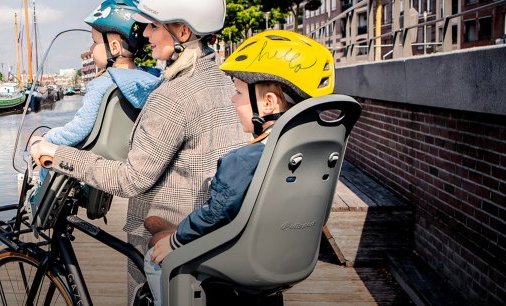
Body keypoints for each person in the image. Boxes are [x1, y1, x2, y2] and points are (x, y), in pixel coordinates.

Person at [29, 0, 249, 303]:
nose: (145, 33)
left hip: (169, 242)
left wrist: (58, 154)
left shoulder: (172, 96)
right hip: (214, 232)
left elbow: (132, 179)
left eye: (154, 25)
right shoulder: (225, 84)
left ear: (182, 32)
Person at [140, 30, 337, 305]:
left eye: (238, 92)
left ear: (268, 103)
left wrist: (174, 242)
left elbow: (214, 215)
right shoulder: (307, 153)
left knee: (155, 255)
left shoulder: (244, 160)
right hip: (284, 256)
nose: (232, 100)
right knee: (154, 223)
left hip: (242, 259)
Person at [27, 0, 161, 196]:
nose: (91, 48)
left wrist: (47, 138)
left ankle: (41, 195)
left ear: (114, 47)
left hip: (95, 159)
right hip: (126, 156)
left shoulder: (102, 83)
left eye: (95, 42)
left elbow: (79, 129)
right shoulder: (150, 78)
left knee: (46, 151)